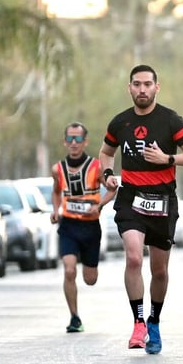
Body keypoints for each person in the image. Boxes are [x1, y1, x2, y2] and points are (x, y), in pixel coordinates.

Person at [99, 65, 183, 354]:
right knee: (134, 257)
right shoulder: (120, 122)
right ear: (129, 88)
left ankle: (154, 321)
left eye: (147, 84)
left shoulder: (170, 120)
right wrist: (106, 175)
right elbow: (106, 153)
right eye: (137, 84)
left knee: (159, 271)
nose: (142, 89)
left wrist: (167, 158)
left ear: (157, 87)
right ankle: (137, 323)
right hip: (130, 197)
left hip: (162, 199)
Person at [50, 122, 116, 333]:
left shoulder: (96, 167)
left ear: (85, 142)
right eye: (70, 139)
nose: (74, 143)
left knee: (90, 279)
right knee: (69, 271)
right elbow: (56, 191)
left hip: (90, 228)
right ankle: (75, 317)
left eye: (78, 139)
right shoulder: (57, 169)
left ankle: (88, 272)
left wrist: (100, 205)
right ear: (64, 141)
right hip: (68, 226)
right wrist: (55, 209)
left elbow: (112, 189)